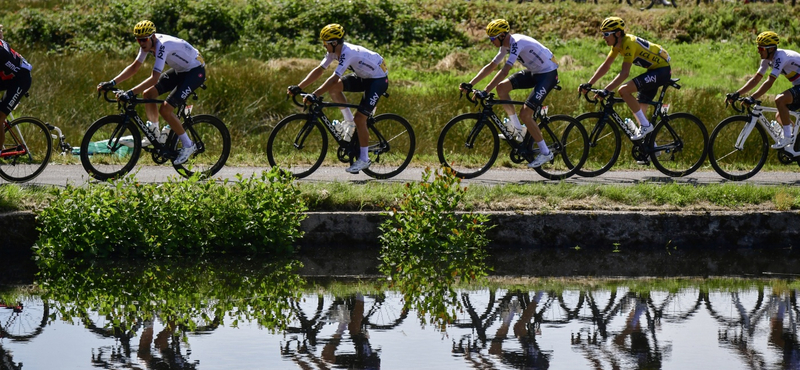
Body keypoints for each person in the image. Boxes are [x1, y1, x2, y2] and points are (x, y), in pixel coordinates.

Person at [96, 20, 206, 165]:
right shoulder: (147, 44)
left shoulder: (162, 46)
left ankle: (188, 145)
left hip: (195, 71)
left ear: (152, 37)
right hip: (181, 70)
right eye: (138, 40)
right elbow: (135, 67)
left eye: (144, 39)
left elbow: (154, 78)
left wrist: (130, 93)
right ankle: (154, 131)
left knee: (166, 109)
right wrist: (112, 82)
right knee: (148, 94)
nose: (141, 43)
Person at [287, 23, 389, 174]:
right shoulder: (334, 51)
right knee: (335, 90)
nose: (324, 46)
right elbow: (319, 70)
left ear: (334, 43)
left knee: (360, 119)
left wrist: (315, 95)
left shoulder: (349, 53)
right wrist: (299, 87)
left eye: (325, 43)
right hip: (364, 76)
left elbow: (334, 78)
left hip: (378, 80)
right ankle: (349, 123)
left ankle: (364, 159)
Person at [459, 19, 560, 168]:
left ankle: (546, 153)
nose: (491, 41)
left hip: (547, 74)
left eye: (492, 38)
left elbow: (505, 70)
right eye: (489, 38)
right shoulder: (505, 45)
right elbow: (492, 66)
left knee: (526, 113)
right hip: (535, 72)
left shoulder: (517, 42)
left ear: (501, 36)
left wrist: (486, 90)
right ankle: (517, 129)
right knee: (501, 88)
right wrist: (470, 84)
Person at [579, 16, 672, 141]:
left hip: (662, 71)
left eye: (606, 34)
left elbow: (624, 73)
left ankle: (646, 126)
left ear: (617, 33)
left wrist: (606, 90)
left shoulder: (628, 44)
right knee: (638, 112)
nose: (603, 37)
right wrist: (589, 84)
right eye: (603, 34)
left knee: (624, 90)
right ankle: (651, 148)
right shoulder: (617, 45)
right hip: (653, 71)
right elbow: (606, 65)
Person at [726, 31, 800, 149]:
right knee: (780, 116)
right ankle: (795, 141)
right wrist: (737, 93)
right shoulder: (767, 60)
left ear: (770, 49)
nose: (758, 51)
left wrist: (752, 98)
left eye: (761, 49)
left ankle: (787, 137)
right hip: (798, 85)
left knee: (780, 100)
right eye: (758, 48)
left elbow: (769, 82)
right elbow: (756, 79)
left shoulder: (780, 57)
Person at [0, 23, 33, 153]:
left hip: (21, 80)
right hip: (8, 77)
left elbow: (16, 70)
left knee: (0, 116)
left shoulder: (1, 53)